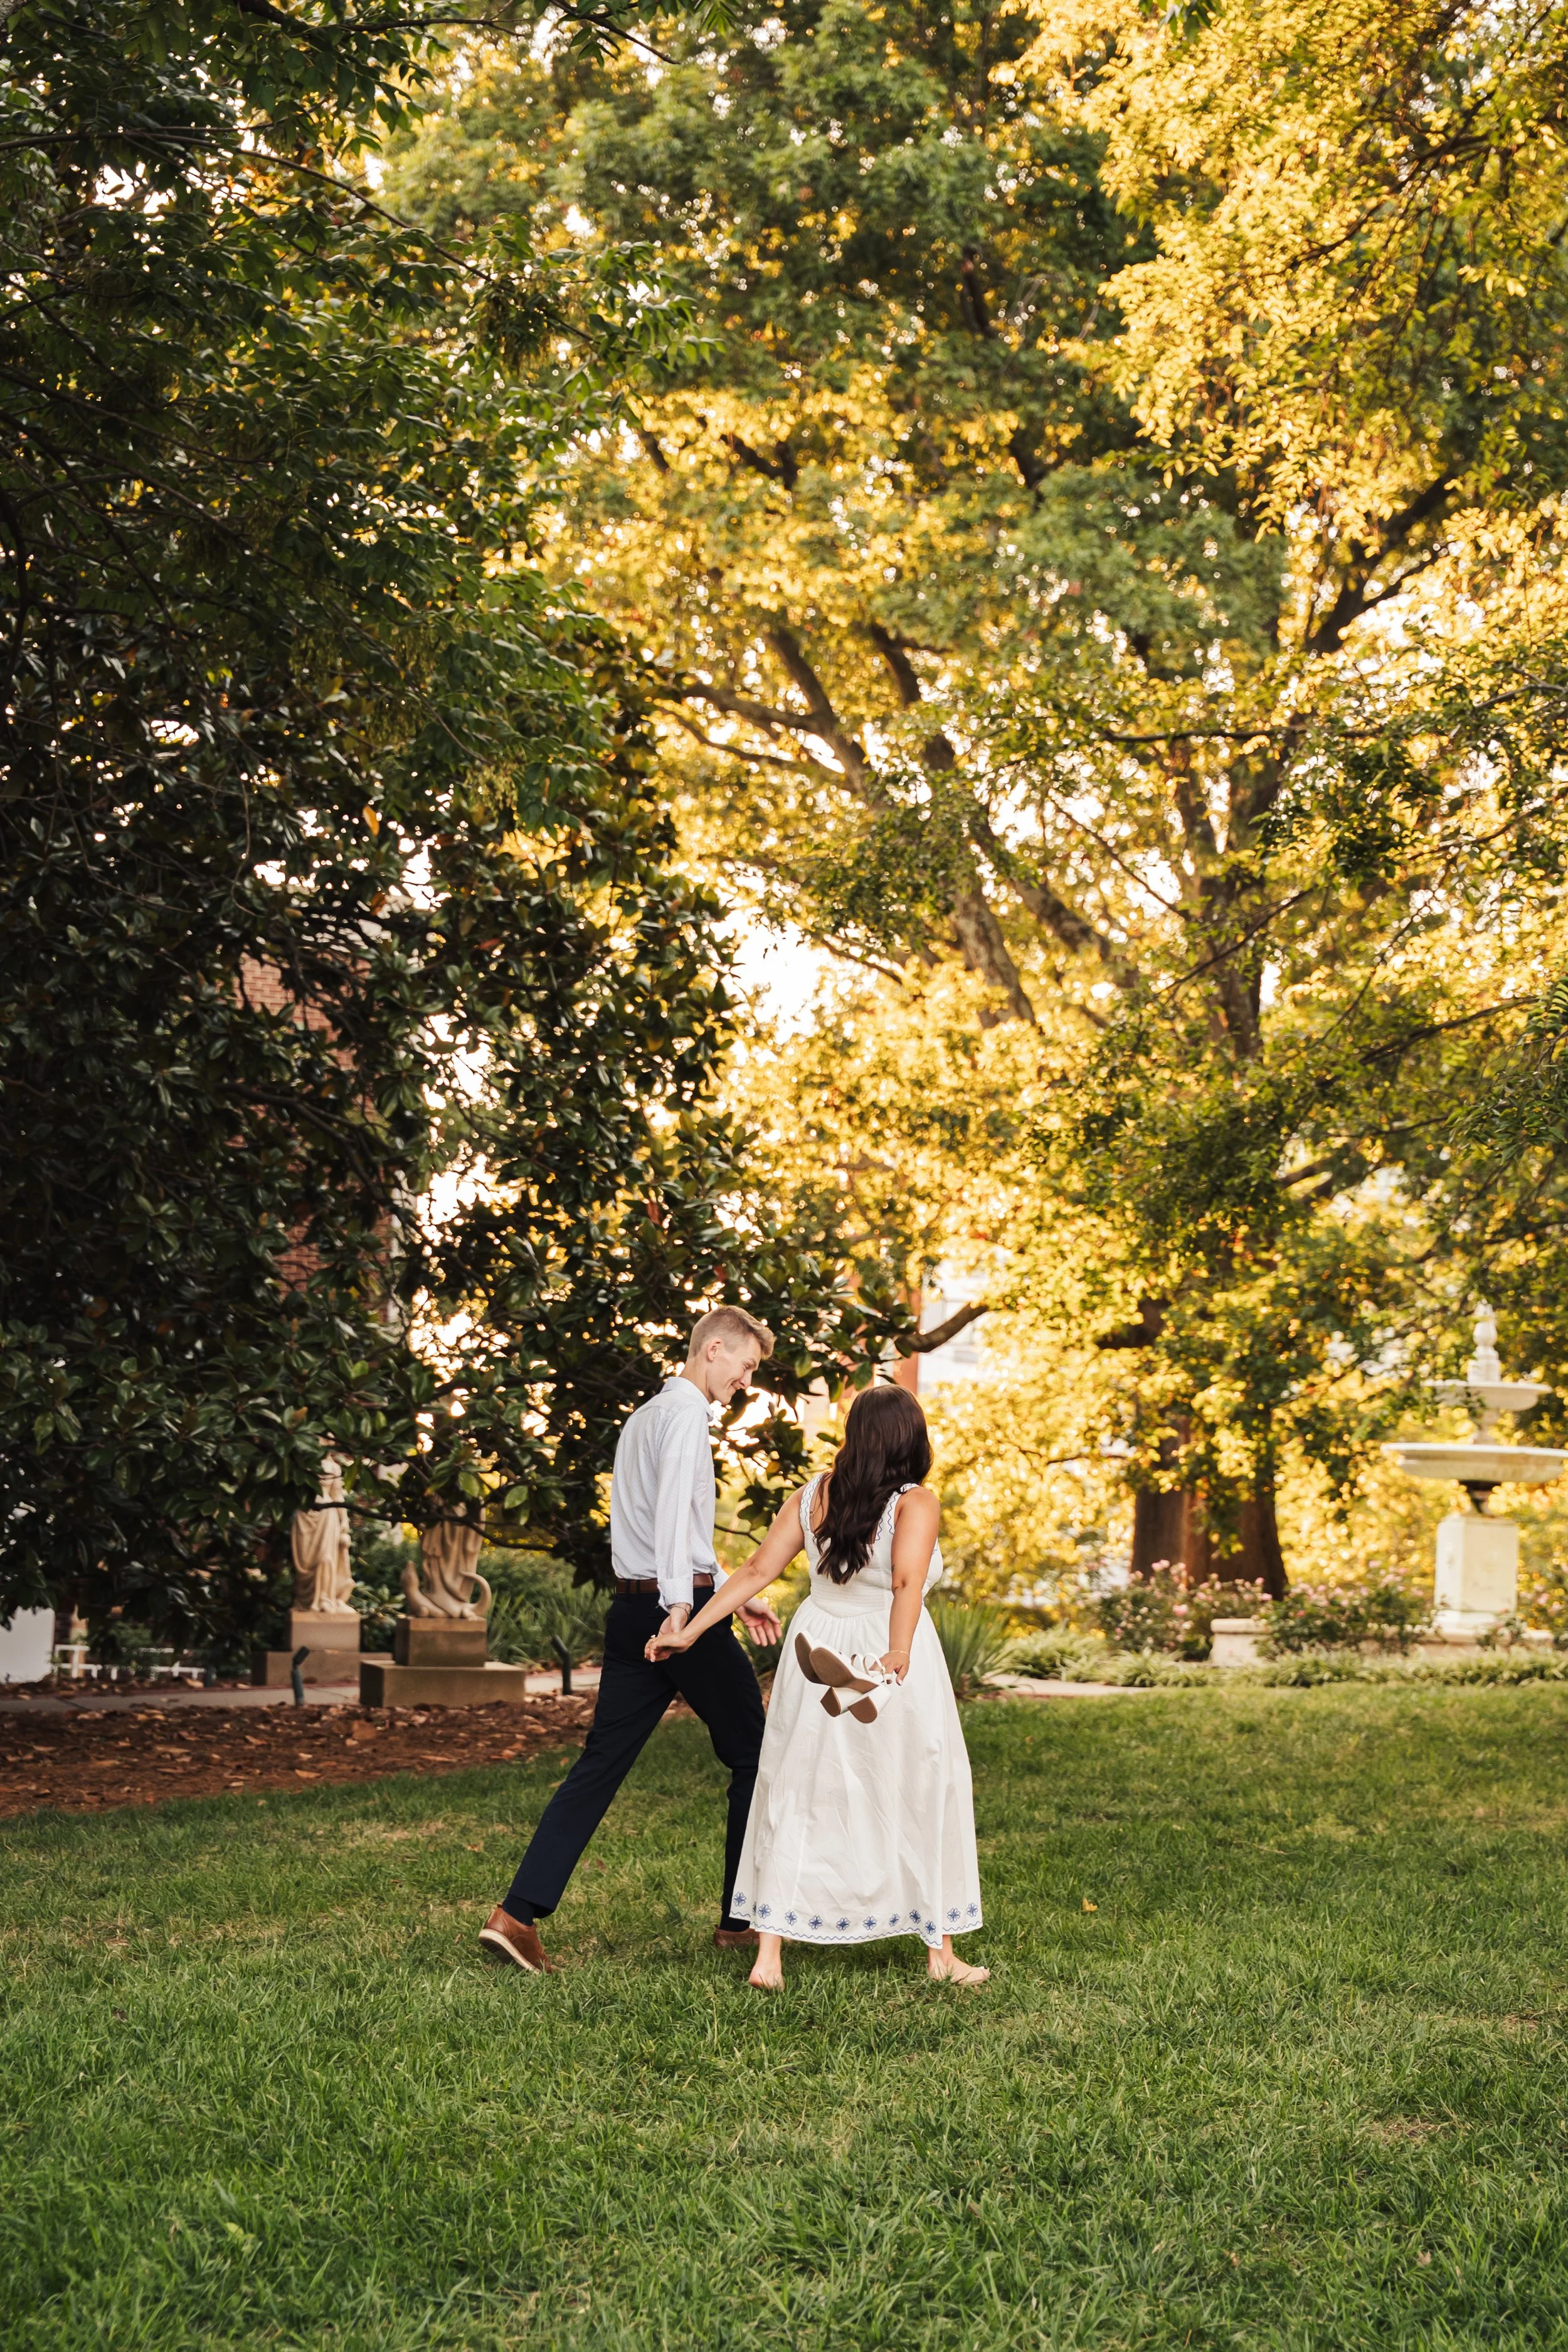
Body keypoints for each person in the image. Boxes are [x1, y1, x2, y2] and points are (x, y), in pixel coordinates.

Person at [652, 1384, 987, 1991]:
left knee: (798, 1788)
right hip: (887, 1640)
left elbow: (757, 1571)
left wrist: (692, 1630)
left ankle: (768, 1959)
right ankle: (941, 1955)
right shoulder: (916, 1502)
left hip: (820, 1635)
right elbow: (907, 1582)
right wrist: (897, 1654)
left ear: (856, 1434)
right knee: (918, 1782)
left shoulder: (813, 1495)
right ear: (912, 1439)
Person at [479, 1306, 782, 1974]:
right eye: (745, 1366)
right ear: (715, 1349)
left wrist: (736, 1589)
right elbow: (674, 1521)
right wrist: (684, 1611)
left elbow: (669, 1529)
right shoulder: (683, 1420)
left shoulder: (646, 1417)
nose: (745, 1380)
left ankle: (516, 1914)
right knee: (756, 1756)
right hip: (677, 1616)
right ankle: (739, 1921)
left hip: (632, 1609)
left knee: (599, 1764)